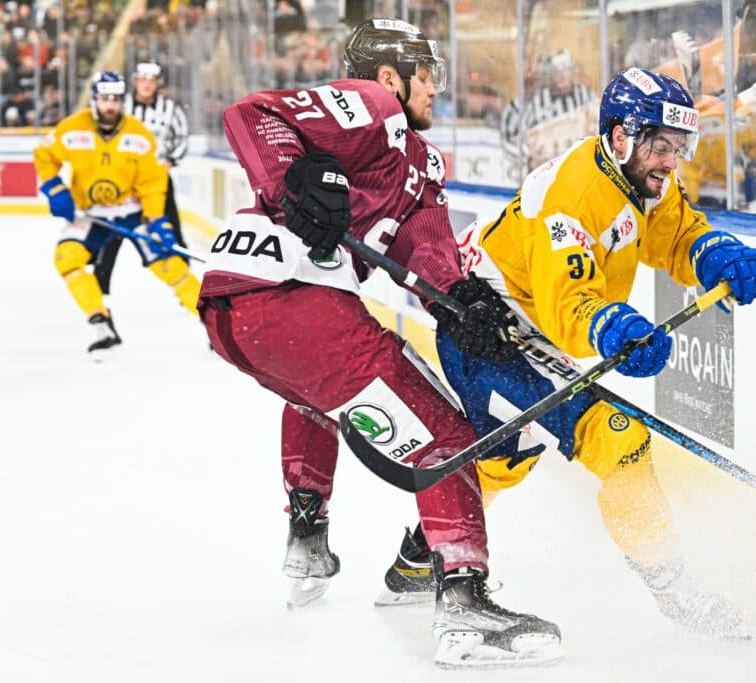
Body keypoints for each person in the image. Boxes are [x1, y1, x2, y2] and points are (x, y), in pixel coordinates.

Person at [196, 18, 561, 668]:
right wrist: (295, 177)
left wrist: (464, 301)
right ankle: (464, 605)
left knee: (320, 399)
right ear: (391, 75)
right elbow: (251, 114)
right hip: (290, 297)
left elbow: (427, 253)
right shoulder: (372, 105)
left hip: (237, 314)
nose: (436, 88)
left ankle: (306, 531)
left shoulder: (422, 163)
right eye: (427, 74)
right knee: (448, 439)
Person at [375, 67, 756, 640]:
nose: (670, 161)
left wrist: (713, 254)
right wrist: (613, 327)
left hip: (523, 334)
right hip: (488, 333)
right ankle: (674, 587)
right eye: (661, 146)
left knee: (503, 461)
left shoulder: (641, 178)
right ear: (621, 137)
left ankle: (417, 559)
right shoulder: (574, 195)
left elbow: (677, 233)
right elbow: (569, 304)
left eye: (678, 147)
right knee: (618, 439)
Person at [33, 71, 200, 356]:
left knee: (170, 266)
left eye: (115, 99)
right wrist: (55, 189)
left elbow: (152, 181)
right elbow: (44, 156)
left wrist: (157, 218)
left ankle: (218, 325)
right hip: (91, 214)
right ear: (95, 99)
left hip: (131, 212)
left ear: (122, 100)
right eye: (104, 98)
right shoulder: (72, 128)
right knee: (67, 259)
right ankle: (101, 324)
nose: (110, 105)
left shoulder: (139, 134)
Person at [94, 61, 191, 296]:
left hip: (157, 179)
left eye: (152, 80)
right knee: (112, 232)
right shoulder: (121, 105)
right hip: (123, 180)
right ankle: (99, 286)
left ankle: (188, 287)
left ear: (157, 83)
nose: (147, 84)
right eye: (143, 79)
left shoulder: (170, 109)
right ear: (135, 81)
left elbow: (181, 137)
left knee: (171, 231)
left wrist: (170, 160)